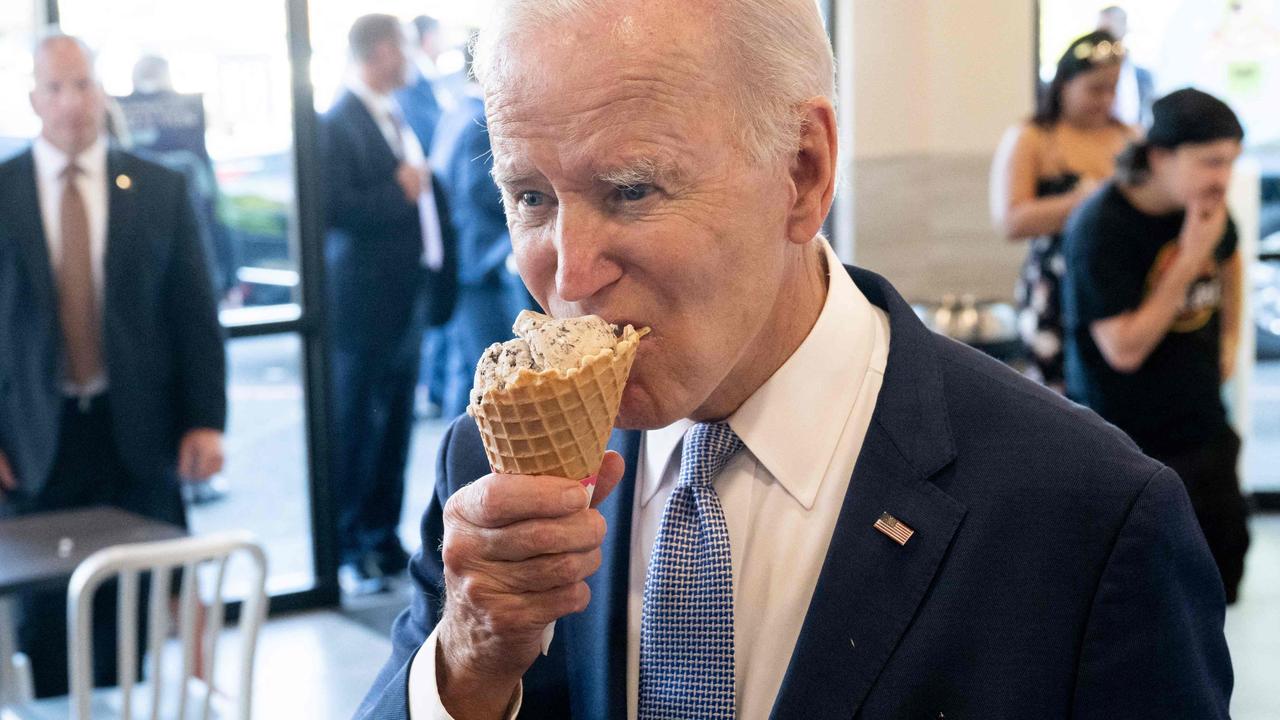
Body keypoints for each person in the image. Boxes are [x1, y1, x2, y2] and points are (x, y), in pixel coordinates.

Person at [358, 2, 1232, 718]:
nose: (570, 272)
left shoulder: (1091, 519)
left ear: (804, 173)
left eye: (631, 189)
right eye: (529, 195)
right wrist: (469, 664)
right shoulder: (488, 471)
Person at [0, 33, 226, 697]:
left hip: (139, 435)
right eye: (56, 87)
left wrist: (206, 421)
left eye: (83, 84)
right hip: (35, 441)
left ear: (102, 91)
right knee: (48, 626)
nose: (72, 102)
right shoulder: (3, 192)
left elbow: (194, 313)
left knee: (139, 604)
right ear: (34, 99)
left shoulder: (158, 188)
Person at [1062, 88, 1250, 604]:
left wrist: (1230, 339)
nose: (1222, 178)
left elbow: (1230, 259)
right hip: (1129, 448)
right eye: (1210, 161)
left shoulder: (1204, 208)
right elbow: (1125, 349)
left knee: (1219, 590)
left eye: (1230, 162)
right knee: (1145, 606)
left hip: (1204, 432)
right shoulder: (1103, 227)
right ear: (1160, 155)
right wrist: (1189, 258)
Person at [320, 14, 456, 595]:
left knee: (396, 423)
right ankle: (350, 544)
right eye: (402, 47)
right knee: (358, 426)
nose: (412, 57)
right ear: (377, 53)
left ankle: (382, 536)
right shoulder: (335, 122)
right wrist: (395, 191)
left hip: (407, 298)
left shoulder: (400, 112)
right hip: (363, 306)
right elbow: (332, 208)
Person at [990, 31, 1135, 392]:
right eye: (1095, 89)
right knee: (1060, 396)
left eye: (1112, 89)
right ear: (1065, 83)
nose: (1105, 99)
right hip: (1056, 286)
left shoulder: (1129, 137)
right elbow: (1010, 221)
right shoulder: (1033, 137)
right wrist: (1086, 202)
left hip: (1116, 279)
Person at [431, 70, 532, 418]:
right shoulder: (478, 119)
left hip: (463, 257)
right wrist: (529, 197)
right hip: (482, 261)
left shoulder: (455, 112)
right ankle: (473, 454)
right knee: (490, 372)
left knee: (468, 364)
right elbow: (477, 188)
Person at [1097, 6, 1156, 127]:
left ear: (1125, 28)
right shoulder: (1089, 73)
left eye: (1108, 29)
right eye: (1101, 30)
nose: (1104, 37)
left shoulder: (1142, 76)